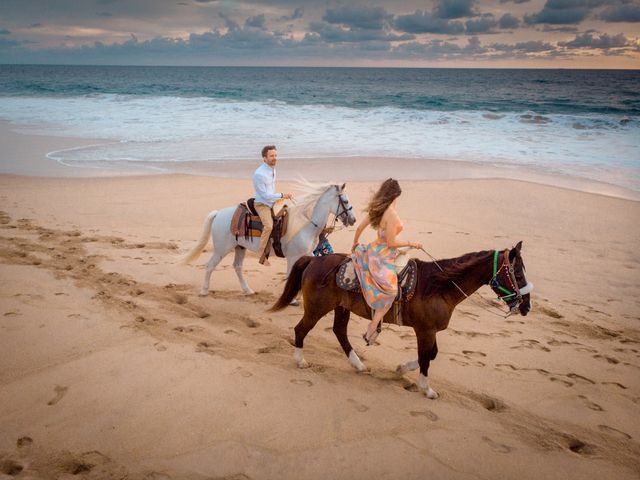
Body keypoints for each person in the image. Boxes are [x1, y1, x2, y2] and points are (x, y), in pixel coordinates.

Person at [351, 178, 422, 345]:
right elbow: (391, 243)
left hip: (374, 249)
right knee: (390, 290)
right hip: (383, 255)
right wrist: (411, 243)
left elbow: (360, 228)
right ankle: (373, 326)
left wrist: (355, 243)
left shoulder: (377, 208)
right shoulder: (392, 215)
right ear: (395, 195)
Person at [252, 145, 293, 266]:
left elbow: (271, 190)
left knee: (289, 213)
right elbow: (265, 195)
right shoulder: (259, 174)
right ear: (264, 158)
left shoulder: (272, 169)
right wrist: (281, 195)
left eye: (275, 155)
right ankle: (260, 252)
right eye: (271, 156)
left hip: (272, 201)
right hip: (262, 204)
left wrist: (279, 198)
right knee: (269, 226)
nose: (274, 158)